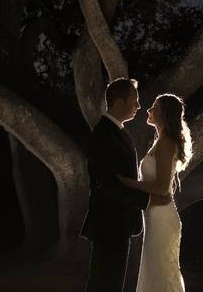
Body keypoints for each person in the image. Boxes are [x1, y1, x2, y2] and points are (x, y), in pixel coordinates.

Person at [81, 78, 171, 292]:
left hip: (117, 223)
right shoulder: (104, 134)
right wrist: (147, 201)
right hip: (109, 223)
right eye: (134, 101)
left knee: (108, 283)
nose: (139, 106)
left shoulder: (118, 132)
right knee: (105, 284)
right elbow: (107, 185)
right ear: (119, 102)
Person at [117, 93, 192, 292]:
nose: (149, 111)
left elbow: (161, 187)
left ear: (165, 114)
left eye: (155, 108)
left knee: (161, 274)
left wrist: (129, 183)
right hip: (154, 216)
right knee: (154, 273)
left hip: (162, 218)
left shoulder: (166, 144)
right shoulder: (160, 142)